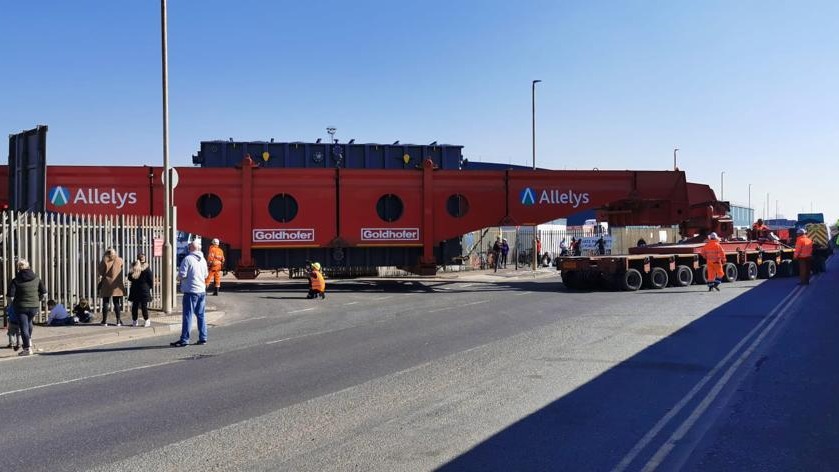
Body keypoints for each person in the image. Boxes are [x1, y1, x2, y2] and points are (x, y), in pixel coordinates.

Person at [171, 239, 209, 347]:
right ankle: (203, 337)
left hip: (191, 291)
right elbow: (206, 275)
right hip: (201, 290)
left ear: (191, 248)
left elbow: (182, 274)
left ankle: (185, 339)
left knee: (188, 316)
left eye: (189, 246)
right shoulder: (203, 260)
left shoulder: (187, 259)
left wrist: (177, 278)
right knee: (201, 315)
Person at [6, 258, 46, 356]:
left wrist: (12, 305)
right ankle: (29, 341)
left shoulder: (16, 280)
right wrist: (37, 300)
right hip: (34, 306)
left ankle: (27, 348)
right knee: (29, 323)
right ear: (28, 266)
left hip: (21, 307)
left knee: (23, 327)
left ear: (18, 268)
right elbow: (44, 293)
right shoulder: (37, 278)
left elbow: (10, 296)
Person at [98, 248, 126, 326]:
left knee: (106, 302)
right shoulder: (120, 260)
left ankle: (104, 321)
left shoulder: (104, 260)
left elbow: (100, 272)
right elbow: (121, 268)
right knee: (117, 302)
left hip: (106, 283)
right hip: (116, 284)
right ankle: (118, 321)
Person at [127, 253, 153, 327]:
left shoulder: (134, 267)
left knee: (135, 306)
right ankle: (146, 320)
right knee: (144, 306)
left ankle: (135, 321)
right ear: (144, 259)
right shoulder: (146, 268)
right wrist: (149, 287)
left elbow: (129, 278)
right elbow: (150, 279)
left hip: (135, 289)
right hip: (144, 289)